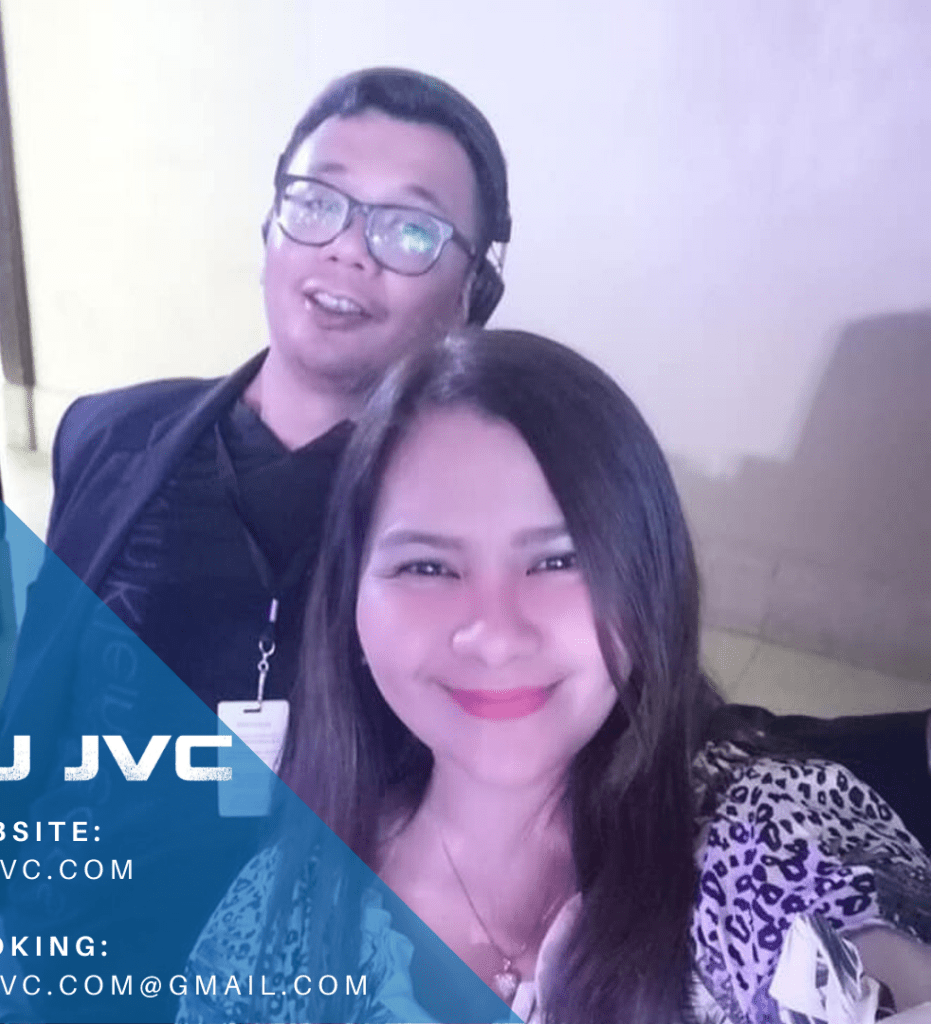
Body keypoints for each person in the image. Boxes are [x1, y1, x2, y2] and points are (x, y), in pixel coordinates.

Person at [0, 68, 511, 1024]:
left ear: (471, 291)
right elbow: (44, 684)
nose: (347, 249)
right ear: (270, 227)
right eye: (318, 201)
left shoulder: (478, 520)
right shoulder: (109, 434)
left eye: (409, 230)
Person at [179, 329, 931, 1023]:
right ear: (351, 601)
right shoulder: (275, 912)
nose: (496, 633)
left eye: (559, 560)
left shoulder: (759, 838)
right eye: (427, 566)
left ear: (648, 583)